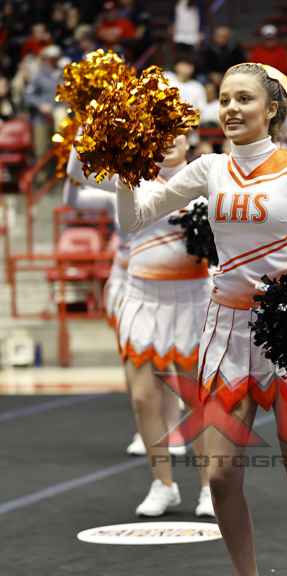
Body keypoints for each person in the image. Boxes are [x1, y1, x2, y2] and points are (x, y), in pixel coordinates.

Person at [117, 62, 287, 576]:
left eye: (244, 99)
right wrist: (128, 170)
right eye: (225, 99)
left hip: (286, 338)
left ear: (271, 109)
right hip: (225, 335)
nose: (231, 109)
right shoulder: (209, 168)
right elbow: (135, 218)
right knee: (221, 475)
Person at [65, 136, 214, 518]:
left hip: (192, 301)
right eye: (161, 134)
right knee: (143, 397)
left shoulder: (207, 177)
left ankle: (209, 488)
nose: (169, 142)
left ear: (188, 139)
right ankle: (163, 484)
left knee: (196, 398)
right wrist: (89, 124)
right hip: (142, 297)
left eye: (176, 134)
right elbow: (76, 171)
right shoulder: (132, 177)